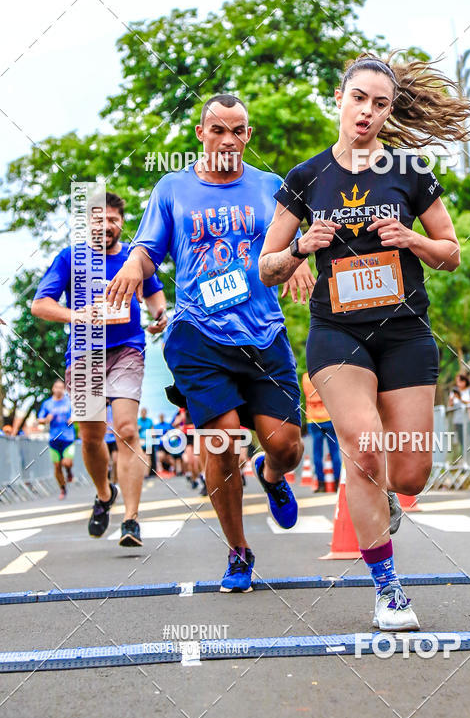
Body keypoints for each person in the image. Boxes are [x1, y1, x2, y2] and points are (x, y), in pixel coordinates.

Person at [259, 52, 470, 630]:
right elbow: (267, 269)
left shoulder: (409, 171)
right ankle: (387, 589)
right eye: (360, 98)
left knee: (409, 475)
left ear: (388, 111)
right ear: (340, 98)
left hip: (405, 331)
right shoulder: (304, 180)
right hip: (338, 333)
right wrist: (303, 248)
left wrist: (412, 238)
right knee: (362, 445)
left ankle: (383, 503)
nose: (368, 112)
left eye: (380, 104)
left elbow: (451, 253)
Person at [106, 94, 314, 592]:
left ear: (248, 135)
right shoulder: (172, 188)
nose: (228, 139)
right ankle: (238, 552)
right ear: (201, 134)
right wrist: (135, 266)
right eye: (218, 129)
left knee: (287, 446)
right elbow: (147, 248)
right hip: (198, 335)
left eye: (238, 130)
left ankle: (270, 474)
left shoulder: (271, 187)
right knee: (220, 443)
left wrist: (298, 258)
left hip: (263, 334)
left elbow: (291, 241)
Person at [32, 191, 167, 547]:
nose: (106, 226)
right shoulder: (70, 258)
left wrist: (159, 315)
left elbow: (154, 293)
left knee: (125, 428)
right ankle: (105, 494)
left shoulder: (134, 258)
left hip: (127, 348)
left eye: (112, 219)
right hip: (84, 354)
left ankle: (131, 520)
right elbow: (40, 305)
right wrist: (75, 315)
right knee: (92, 438)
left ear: (121, 222)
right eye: (98, 219)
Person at [301, 372, 341, 492]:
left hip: (313, 419)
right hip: (328, 417)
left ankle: (321, 484)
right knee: (334, 451)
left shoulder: (305, 378)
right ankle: (337, 483)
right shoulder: (325, 374)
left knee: (316, 452)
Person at [37, 378, 76, 499]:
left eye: (61, 387)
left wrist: (73, 419)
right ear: (53, 389)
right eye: (57, 387)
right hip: (54, 438)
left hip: (68, 438)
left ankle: (69, 471)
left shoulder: (69, 401)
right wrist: (46, 419)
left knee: (66, 462)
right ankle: (63, 488)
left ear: (64, 389)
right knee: (57, 466)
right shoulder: (47, 404)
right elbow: (40, 419)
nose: (59, 389)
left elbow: (78, 414)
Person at [138, 407, 155, 478]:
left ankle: (146, 474)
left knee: (148, 458)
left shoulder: (149, 421)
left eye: (144, 412)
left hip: (148, 441)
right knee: (142, 458)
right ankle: (141, 473)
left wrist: (153, 436)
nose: (143, 414)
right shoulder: (138, 421)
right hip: (140, 442)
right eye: (142, 412)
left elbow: (152, 430)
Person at [104, 403, 118, 482]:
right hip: (105, 439)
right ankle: (107, 481)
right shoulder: (100, 408)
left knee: (115, 461)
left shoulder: (114, 407)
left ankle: (115, 481)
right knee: (107, 462)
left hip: (114, 439)